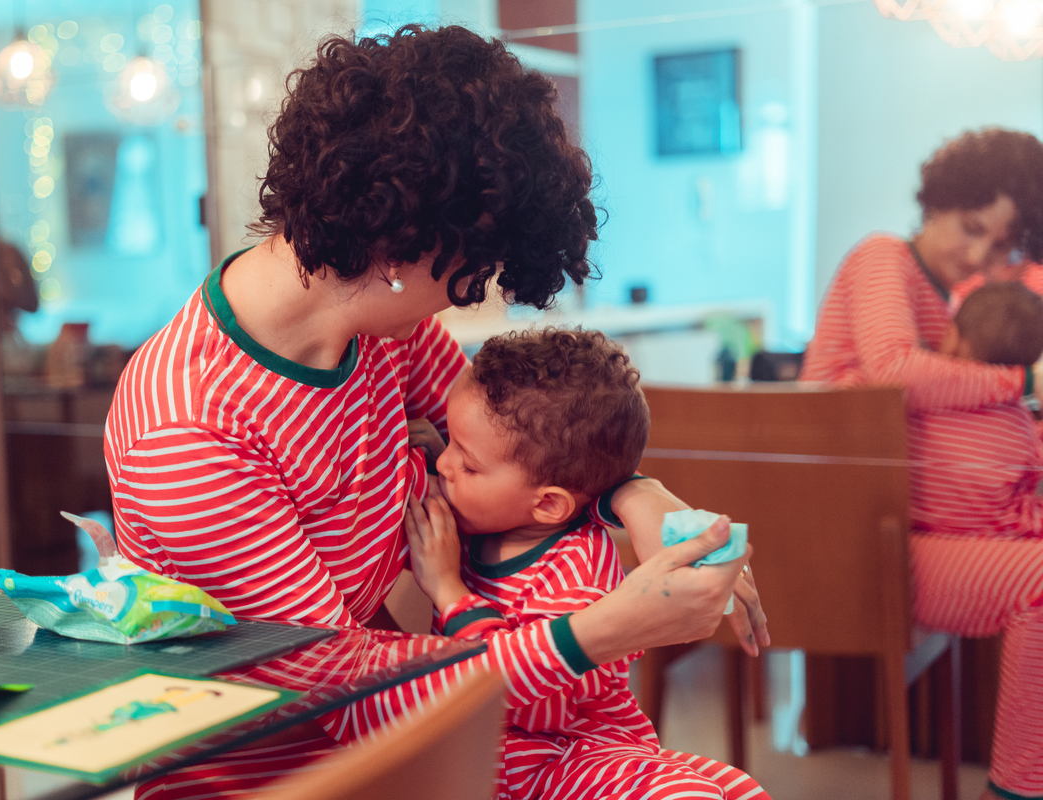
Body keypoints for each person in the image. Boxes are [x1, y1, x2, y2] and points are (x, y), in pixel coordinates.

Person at [106, 26, 767, 799]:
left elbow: (529, 446)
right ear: (399, 252)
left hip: (445, 730)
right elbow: (354, 694)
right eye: (472, 274)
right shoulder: (188, 426)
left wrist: (639, 497)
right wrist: (607, 630)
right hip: (294, 772)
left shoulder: (383, 331)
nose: (472, 296)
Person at [404, 327, 764, 800]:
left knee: (722, 788)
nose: (444, 466)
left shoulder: (578, 564)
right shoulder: (475, 520)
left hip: (575, 756)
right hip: (495, 765)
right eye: (449, 442)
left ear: (549, 505)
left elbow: (538, 710)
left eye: (467, 465)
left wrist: (450, 593)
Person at [802, 127, 1043, 800]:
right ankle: (1021, 788)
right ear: (939, 201)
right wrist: (1020, 383)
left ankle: (1024, 778)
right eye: (970, 228)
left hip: (906, 532)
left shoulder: (951, 303)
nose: (977, 255)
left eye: (999, 245)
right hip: (851, 542)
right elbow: (892, 370)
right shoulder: (884, 257)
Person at [910, 282, 1043, 538]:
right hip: (993, 533)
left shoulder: (929, 399)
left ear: (952, 337)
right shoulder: (1017, 418)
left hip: (927, 527)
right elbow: (1029, 475)